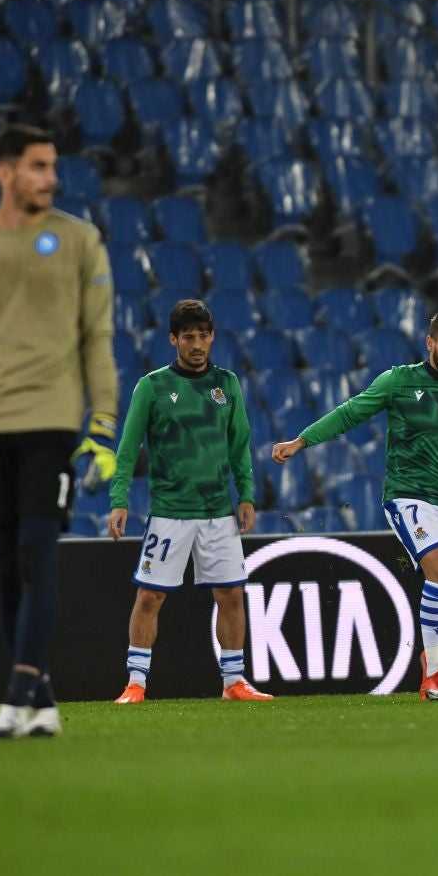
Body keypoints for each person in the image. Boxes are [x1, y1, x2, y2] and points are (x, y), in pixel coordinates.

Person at [0, 124, 118, 738]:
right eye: (38, 166)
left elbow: (99, 336)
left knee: (37, 558)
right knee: (8, 565)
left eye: (52, 166)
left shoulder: (79, 240)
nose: (51, 178)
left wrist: (102, 425)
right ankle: (42, 702)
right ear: (4, 172)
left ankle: (15, 696)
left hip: (51, 424)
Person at [271, 308, 438, 701]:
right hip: (407, 495)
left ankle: (433, 656)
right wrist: (300, 441)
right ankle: (436, 674)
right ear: (430, 343)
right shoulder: (399, 381)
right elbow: (349, 413)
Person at [108, 299, 271, 704]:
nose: (197, 344)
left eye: (203, 336)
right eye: (188, 337)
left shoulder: (227, 383)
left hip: (218, 512)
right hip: (170, 513)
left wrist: (246, 495)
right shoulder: (153, 386)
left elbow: (240, 446)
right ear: (173, 340)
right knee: (149, 596)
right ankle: (136, 683)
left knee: (231, 595)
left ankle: (234, 682)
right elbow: (128, 449)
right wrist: (119, 499)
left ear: (212, 337)